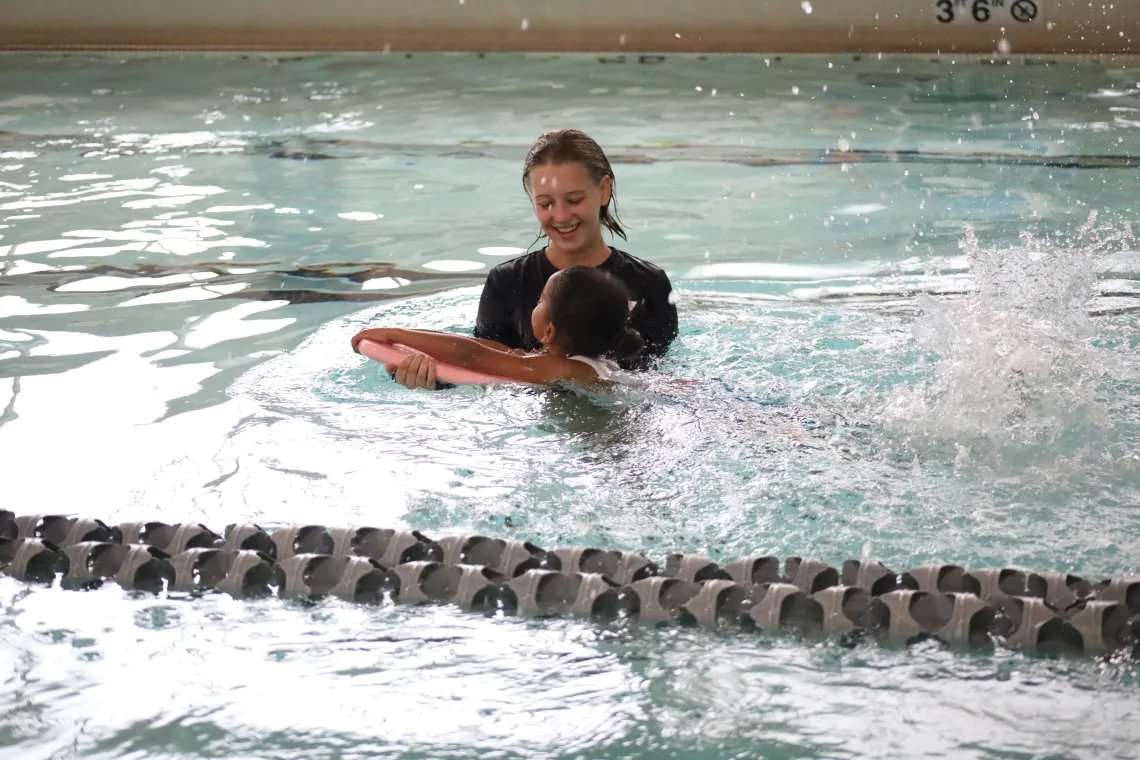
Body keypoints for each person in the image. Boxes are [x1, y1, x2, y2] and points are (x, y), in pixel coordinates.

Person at [390, 128, 678, 390]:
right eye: (546, 204)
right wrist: (431, 379)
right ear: (532, 201)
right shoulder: (507, 282)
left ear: (603, 190)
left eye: (574, 200)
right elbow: (482, 378)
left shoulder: (649, 283)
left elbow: (659, 378)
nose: (562, 216)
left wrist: (392, 338)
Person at [352, 266, 643, 389]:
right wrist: (416, 340)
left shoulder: (563, 370)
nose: (535, 303)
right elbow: (497, 351)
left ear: (549, 332)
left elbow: (471, 356)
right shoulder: (584, 364)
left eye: (541, 299)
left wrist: (395, 335)